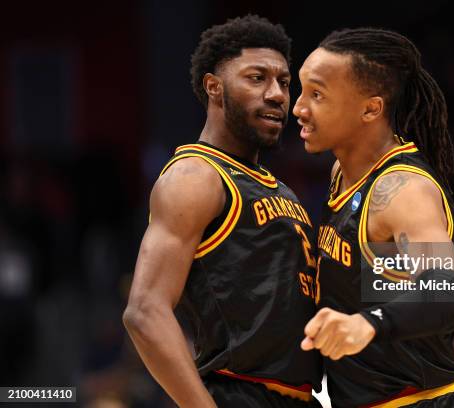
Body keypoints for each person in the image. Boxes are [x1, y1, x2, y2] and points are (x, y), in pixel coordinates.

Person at [123, 15, 321, 408]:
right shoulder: (195, 176)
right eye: (256, 78)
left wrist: (450, 272)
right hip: (239, 392)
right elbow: (144, 311)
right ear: (214, 87)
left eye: (283, 81)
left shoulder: (279, 188)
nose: (278, 94)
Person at [293, 28, 454, 407]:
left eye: (317, 95)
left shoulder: (403, 191)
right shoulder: (342, 172)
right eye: (301, 91)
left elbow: (447, 295)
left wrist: (367, 323)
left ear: (370, 108)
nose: (298, 108)